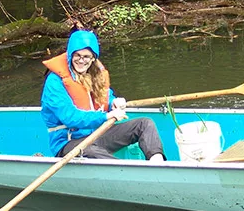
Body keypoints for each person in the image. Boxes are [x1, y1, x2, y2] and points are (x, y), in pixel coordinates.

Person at [40, 29, 165, 161]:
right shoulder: (54, 82)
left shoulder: (94, 74)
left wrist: (113, 102)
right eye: (77, 55)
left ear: (93, 58)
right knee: (92, 152)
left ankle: (157, 164)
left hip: (97, 133)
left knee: (144, 124)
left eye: (86, 56)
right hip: (68, 142)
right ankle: (129, 174)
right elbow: (70, 117)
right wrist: (106, 116)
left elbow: (104, 97)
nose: (81, 61)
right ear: (70, 55)